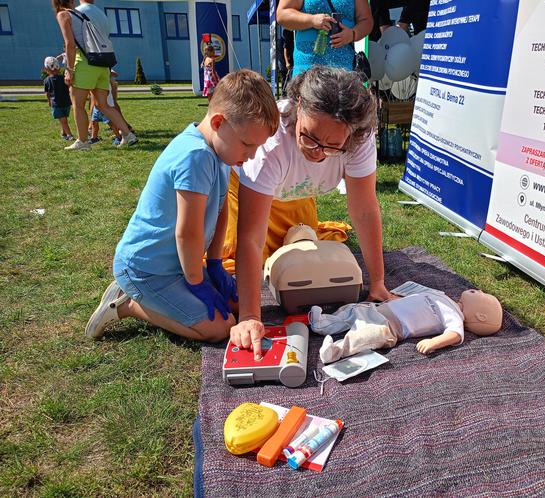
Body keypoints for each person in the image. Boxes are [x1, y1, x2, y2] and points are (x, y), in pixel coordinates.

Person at [84, 70, 279, 342]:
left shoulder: (222, 152)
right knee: (219, 328)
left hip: (174, 266)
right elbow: (187, 232)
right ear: (219, 122)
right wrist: (197, 282)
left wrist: (214, 264)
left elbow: (221, 211)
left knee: (236, 306)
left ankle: (160, 296)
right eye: (248, 144)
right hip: (147, 269)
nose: (252, 155)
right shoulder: (195, 157)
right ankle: (126, 305)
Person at [223, 66, 393, 359]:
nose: (317, 152)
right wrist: (251, 316)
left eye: (332, 146)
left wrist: (377, 282)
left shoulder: (360, 139)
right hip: (245, 191)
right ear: (298, 106)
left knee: (301, 256)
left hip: (296, 192)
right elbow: (250, 237)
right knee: (234, 263)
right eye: (309, 137)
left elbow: (364, 209)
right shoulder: (271, 144)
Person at [310, 286, 503, 363]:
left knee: (362, 337)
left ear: (481, 316)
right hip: (379, 309)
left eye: (483, 295)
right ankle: (322, 323)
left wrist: (434, 342)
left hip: (390, 327)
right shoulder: (442, 296)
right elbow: (415, 299)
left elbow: (455, 334)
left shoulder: (455, 316)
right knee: (351, 311)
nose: (478, 290)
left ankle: (335, 351)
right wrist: (395, 298)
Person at [52, 0, 137, 150]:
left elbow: (69, 44)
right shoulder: (84, 14)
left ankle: (83, 141)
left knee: (78, 105)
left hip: (85, 64)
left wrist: (69, 69)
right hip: (102, 64)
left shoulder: (63, 15)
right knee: (103, 105)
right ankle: (128, 134)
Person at [277, 0, 373, 76]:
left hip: (344, 70)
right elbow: (282, 14)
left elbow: (366, 21)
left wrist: (352, 34)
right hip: (307, 69)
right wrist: (311, 20)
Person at [43, 56, 74, 141]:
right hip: (67, 103)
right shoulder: (64, 78)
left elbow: (48, 93)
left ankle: (69, 135)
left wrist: (49, 102)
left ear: (46, 69)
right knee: (63, 119)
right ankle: (63, 133)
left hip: (56, 103)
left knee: (63, 120)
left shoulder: (46, 80)